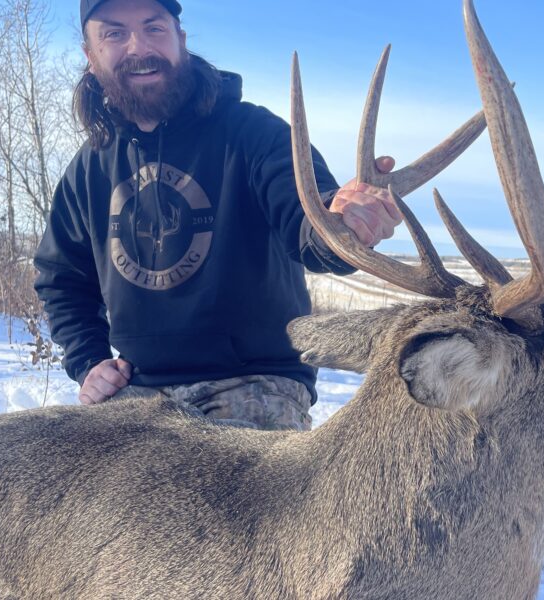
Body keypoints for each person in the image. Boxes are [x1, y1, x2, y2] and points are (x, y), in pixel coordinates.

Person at [34, 0, 402, 431]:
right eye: (114, 33)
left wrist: (342, 223)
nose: (139, 47)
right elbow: (61, 278)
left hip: (254, 383)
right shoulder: (90, 165)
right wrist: (89, 360)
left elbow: (306, 221)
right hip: (139, 387)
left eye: (154, 28)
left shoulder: (254, 135)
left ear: (181, 40)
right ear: (90, 56)